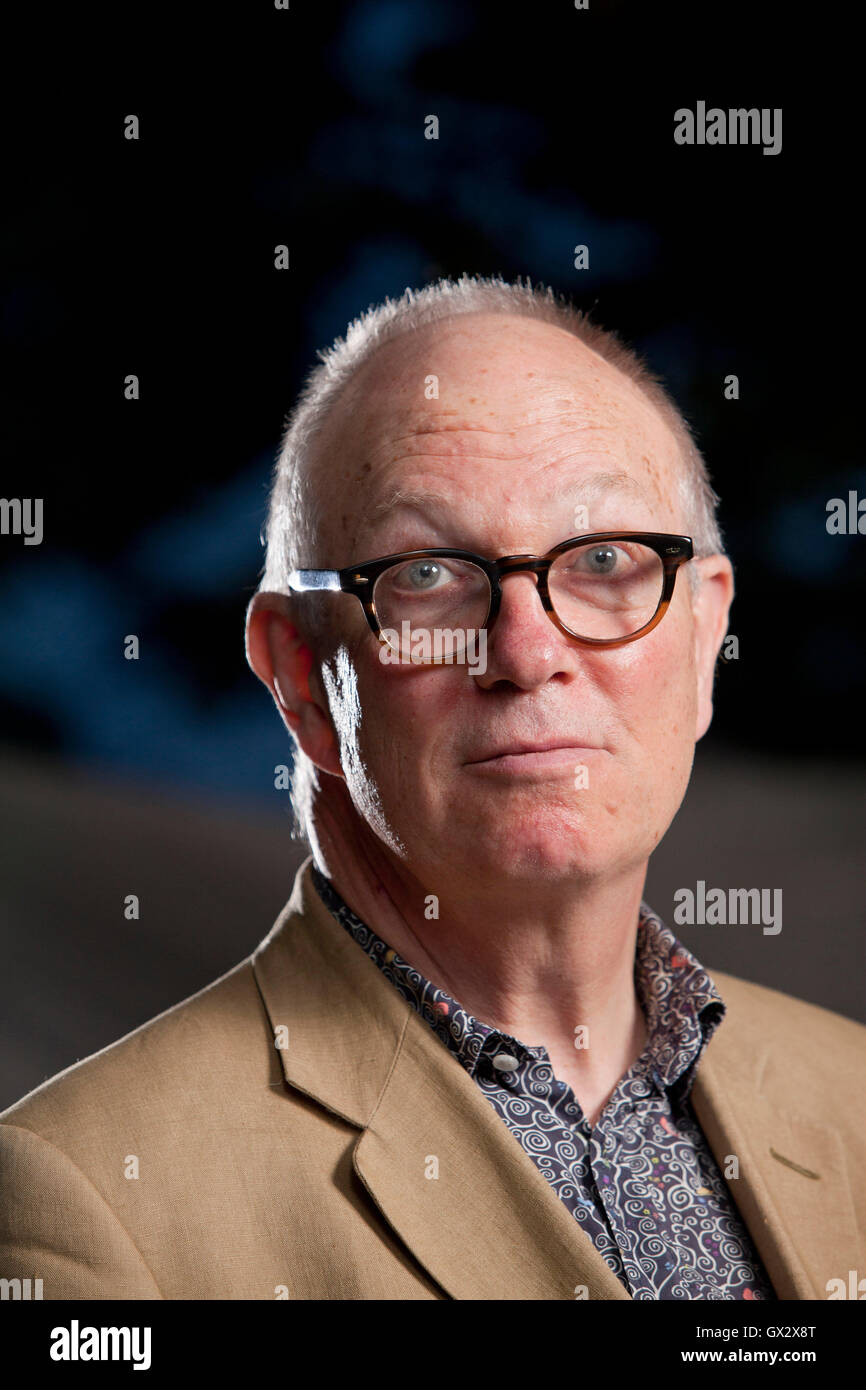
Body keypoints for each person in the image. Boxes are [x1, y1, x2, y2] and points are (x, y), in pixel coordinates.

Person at [2, 275, 863, 1301]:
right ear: (297, 671)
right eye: (424, 573)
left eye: (601, 558)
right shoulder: (83, 1201)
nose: (526, 650)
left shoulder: (851, 1095)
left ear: (703, 635)